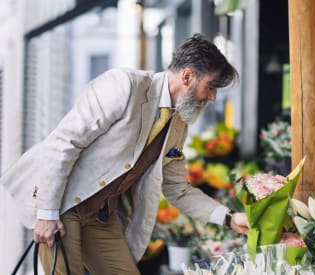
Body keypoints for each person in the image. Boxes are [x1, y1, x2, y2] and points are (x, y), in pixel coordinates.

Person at [0, 34, 249, 274]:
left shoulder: (178, 125)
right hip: (62, 204)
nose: (213, 97)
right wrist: (46, 213)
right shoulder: (125, 86)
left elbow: (178, 189)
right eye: (211, 87)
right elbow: (65, 142)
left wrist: (229, 218)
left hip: (101, 215)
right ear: (187, 76)